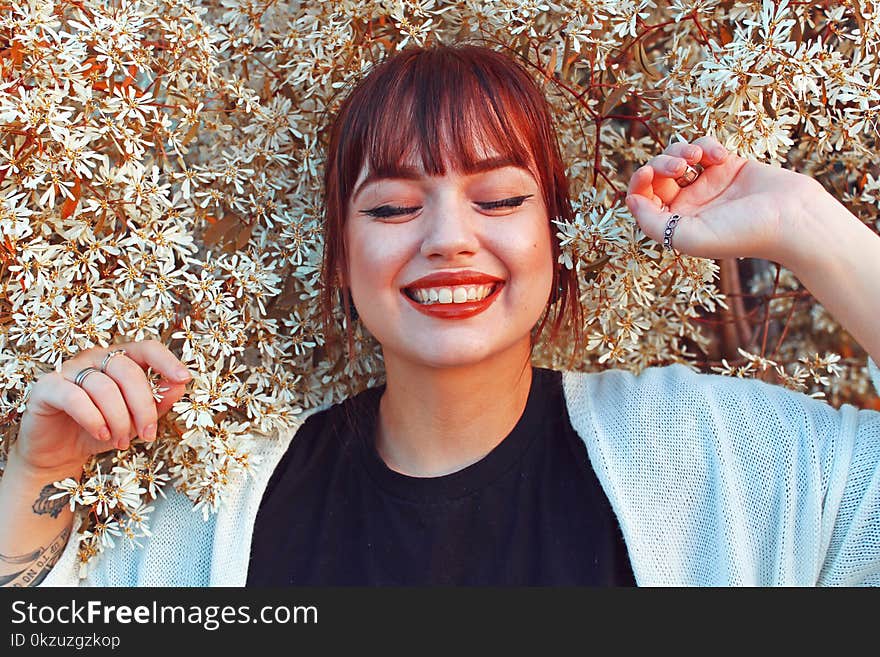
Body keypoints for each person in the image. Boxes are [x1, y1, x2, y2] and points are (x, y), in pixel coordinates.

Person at [1, 43, 879, 587]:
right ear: (341, 257)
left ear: (557, 236)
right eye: (390, 208)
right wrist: (35, 473)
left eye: (499, 199)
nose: (449, 238)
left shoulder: (711, 460)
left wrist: (806, 224)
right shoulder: (228, 515)